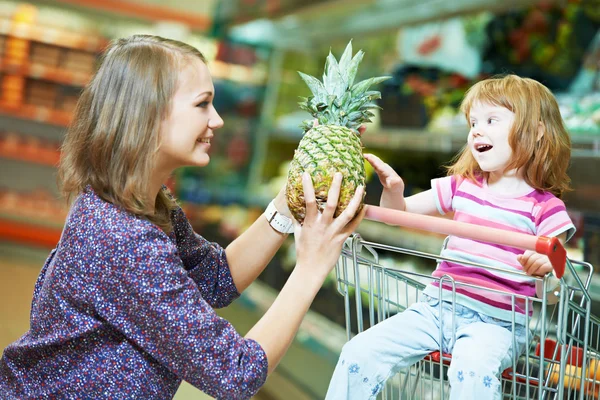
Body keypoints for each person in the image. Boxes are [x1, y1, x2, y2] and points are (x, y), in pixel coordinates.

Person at [0, 34, 365, 399]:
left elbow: (215, 278)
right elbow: (235, 372)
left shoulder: (142, 205)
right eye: (203, 104)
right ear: (148, 114)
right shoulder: (124, 238)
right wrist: (311, 267)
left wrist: (287, 202)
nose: (218, 120)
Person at [325, 74, 576, 399]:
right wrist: (394, 193)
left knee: (470, 372)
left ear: (537, 130)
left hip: (496, 324)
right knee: (359, 351)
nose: (477, 130)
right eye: (473, 122)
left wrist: (545, 269)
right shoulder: (463, 184)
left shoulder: (545, 208)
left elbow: (554, 287)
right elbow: (398, 215)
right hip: (435, 308)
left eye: (491, 119)